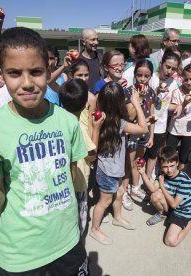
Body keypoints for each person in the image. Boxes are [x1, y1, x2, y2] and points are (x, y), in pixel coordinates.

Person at [0, 27, 89, 275]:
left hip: (69, 243)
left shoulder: (67, 121)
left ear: (48, 69)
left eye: (36, 72)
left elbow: (73, 177)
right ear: (0, 73)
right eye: (15, 73)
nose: (27, 83)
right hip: (22, 255)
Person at [90, 82, 147, 245]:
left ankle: (117, 217)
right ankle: (94, 229)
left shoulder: (100, 118)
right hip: (108, 170)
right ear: (120, 103)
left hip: (116, 167)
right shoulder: (120, 124)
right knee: (104, 201)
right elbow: (143, 128)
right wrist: (136, 102)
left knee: (120, 192)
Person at [59, 79, 104, 237]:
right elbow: (92, 156)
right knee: (79, 219)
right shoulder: (79, 129)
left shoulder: (60, 121)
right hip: (78, 183)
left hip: (62, 183)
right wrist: (97, 129)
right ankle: (78, 245)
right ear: (86, 102)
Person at [137, 146, 191, 242]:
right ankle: (163, 214)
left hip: (181, 211)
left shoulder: (185, 181)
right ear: (160, 166)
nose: (169, 170)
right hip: (170, 205)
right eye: (165, 167)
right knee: (155, 195)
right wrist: (143, 174)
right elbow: (153, 189)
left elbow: (174, 205)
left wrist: (162, 186)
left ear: (177, 163)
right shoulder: (162, 174)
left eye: (172, 166)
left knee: (170, 241)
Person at [122, 59, 156, 211]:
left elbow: (153, 114)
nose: (143, 79)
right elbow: (130, 116)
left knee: (139, 161)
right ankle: (123, 192)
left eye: (146, 76)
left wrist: (152, 135)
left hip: (145, 132)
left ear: (151, 76)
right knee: (128, 163)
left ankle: (135, 187)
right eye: (139, 75)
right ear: (134, 75)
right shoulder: (129, 91)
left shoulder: (152, 91)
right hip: (133, 132)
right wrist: (140, 98)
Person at [145, 50, 180, 188]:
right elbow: (144, 100)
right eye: (168, 66)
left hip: (160, 124)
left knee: (154, 153)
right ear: (161, 64)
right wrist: (156, 92)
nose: (170, 71)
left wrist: (179, 106)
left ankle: (147, 179)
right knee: (142, 152)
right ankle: (134, 179)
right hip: (146, 122)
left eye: (173, 68)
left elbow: (168, 105)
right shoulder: (151, 78)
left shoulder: (174, 83)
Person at [80, 28, 102, 93]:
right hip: (83, 98)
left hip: (100, 98)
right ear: (83, 42)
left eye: (97, 39)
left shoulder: (102, 59)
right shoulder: (77, 60)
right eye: (93, 40)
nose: (96, 42)